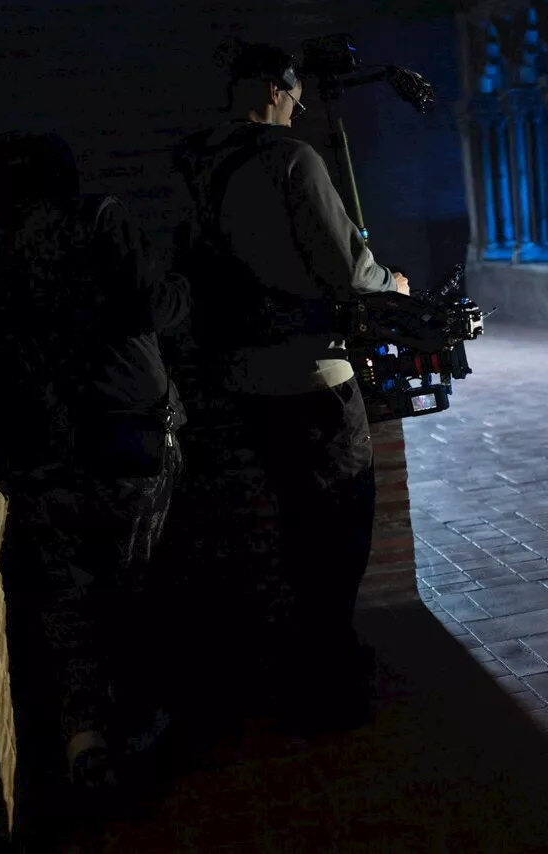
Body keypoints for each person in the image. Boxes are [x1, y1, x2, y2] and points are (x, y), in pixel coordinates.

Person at [171, 39, 409, 734]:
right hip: (314, 379)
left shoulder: (198, 162)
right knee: (339, 532)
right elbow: (345, 269)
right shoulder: (290, 159)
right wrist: (389, 283)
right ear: (279, 89)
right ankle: (331, 684)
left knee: (296, 530)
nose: (300, 110)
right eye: (297, 98)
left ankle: (309, 668)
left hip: (244, 382)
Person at [0, 131, 189, 803]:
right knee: (132, 595)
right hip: (126, 449)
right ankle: (137, 745)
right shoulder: (100, 219)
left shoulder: (1, 261)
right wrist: (185, 282)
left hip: (45, 458)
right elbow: (161, 306)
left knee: (69, 606)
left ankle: (84, 744)